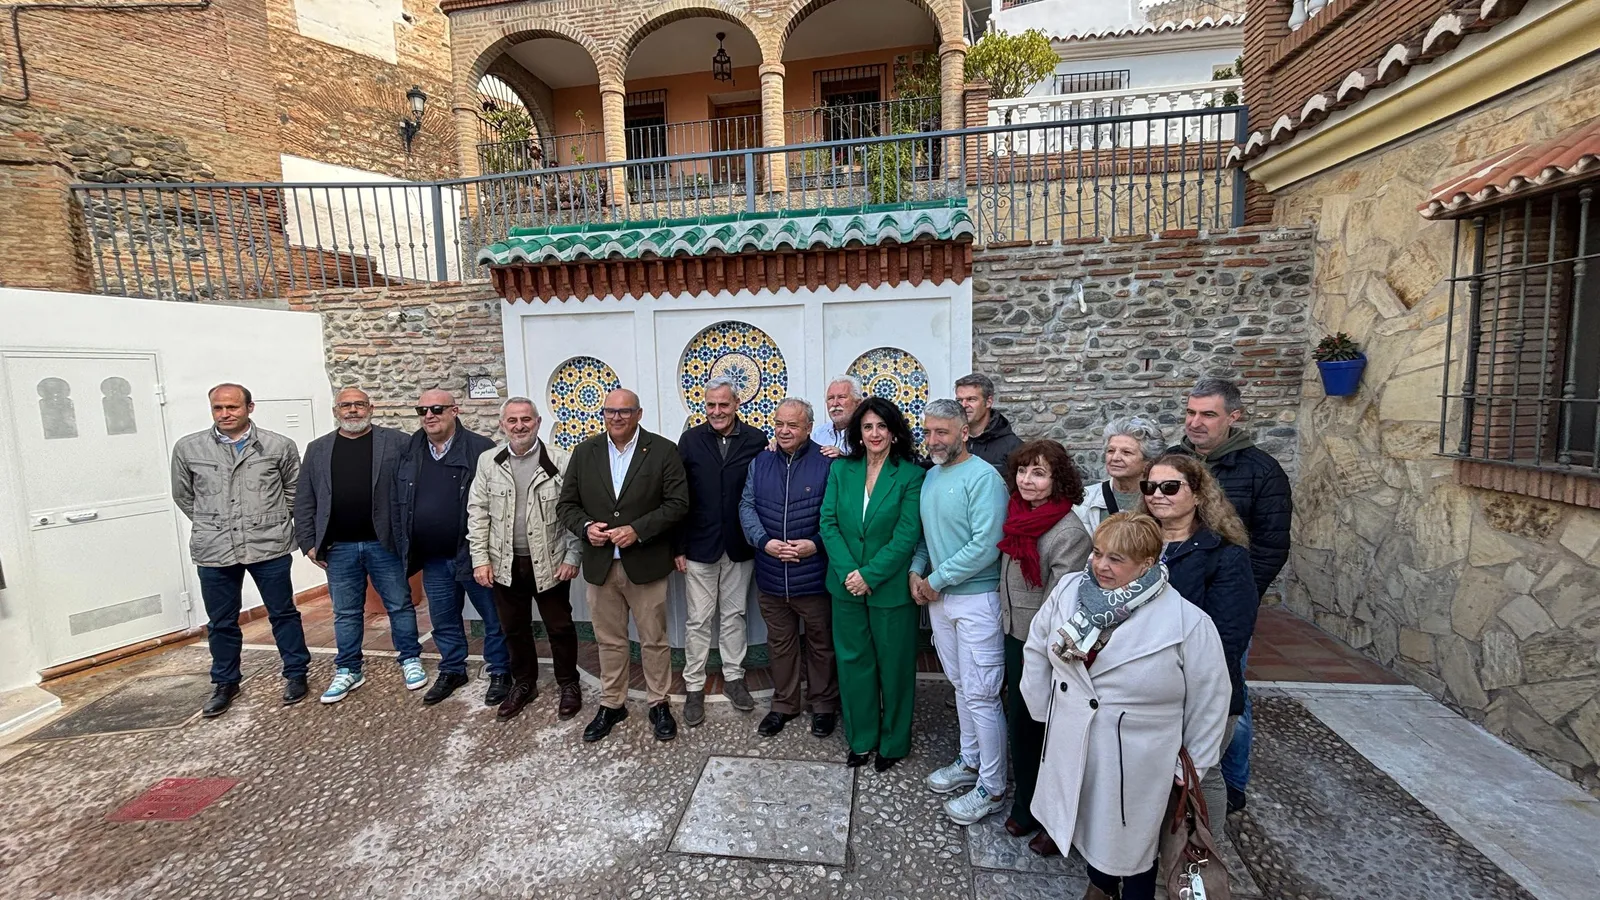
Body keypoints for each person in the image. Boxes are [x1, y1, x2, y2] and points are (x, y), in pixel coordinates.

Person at [1022, 512, 1231, 900]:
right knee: (1086, 822)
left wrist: (1193, 765)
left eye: (1116, 559)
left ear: (1147, 564)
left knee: (1130, 842)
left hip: (1137, 758)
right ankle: (1100, 885)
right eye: (1098, 553)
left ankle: (1129, 892)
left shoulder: (1187, 622)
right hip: (1072, 738)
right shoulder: (1070, 590)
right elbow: (1037, 647)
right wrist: (1045, 713)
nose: (1100, 565)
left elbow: (1211, 699)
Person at [1172, 376, 1292, 812]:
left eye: (1208, 414)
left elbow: (1271, 546)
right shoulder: (1174, 463)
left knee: (1227, 693)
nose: (1196, 423)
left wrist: (1239, 598)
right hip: (1174, 601)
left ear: (1234, 417)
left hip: (1226, 606)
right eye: (1191, 413)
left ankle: (1232, 785)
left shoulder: (1261, 471)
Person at [556, 388, 690, 743]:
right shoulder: (586, 452)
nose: (616, 418)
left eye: (625, 411)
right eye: (610, 412)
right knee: (609, 639)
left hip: (645, 563)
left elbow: (678, 504)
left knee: (653, 639)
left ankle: (658, 702)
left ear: (639, 413)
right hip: (601, 565)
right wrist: (586, 527)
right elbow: (566, 505)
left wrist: (638, 530)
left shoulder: (662, 450)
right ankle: (613, 702)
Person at [171, 383, 310, 718]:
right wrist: (213, 522)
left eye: (232, 407)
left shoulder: (278, 446)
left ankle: (295, 672)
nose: (225, 414)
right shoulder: (189, 448)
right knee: (221, 621)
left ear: (250, 407)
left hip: (268, 544)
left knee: (283, 613)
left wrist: (268, 521)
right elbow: (184, 495)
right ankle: (225, 681)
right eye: (218, 408)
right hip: (215, 547)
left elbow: (294, 491)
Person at [1140, 452, 1259, 822]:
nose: (1158, 494)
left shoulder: (1223, 555)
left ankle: (1202, 862)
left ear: (1197, 494)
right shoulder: (1136, 544)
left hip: (1200, 690)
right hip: (1146, 687)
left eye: (1170, 487)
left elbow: (1228, 637)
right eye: (1150, 486)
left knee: (1198, 777)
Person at [909, 399, 1011, 826]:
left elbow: (987, 545)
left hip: (977, 600)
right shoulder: (932, 476)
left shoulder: (984, 479)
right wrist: (918, 572)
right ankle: (970, 762)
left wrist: (937, 579)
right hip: (941, 599)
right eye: (928, 432)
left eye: (942, 432)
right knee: (960, 685)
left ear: (964, 432)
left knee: (983, 692)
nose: (933, 440)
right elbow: (928, 538)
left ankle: (993, 785)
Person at [294, 387, 423, 704]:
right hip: (339, 547)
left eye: (359, 404)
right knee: (346, 612)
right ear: (336, 410)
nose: (353, 410)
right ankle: (349, 668)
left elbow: (413, 488)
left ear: (371, 408)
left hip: (386, 544)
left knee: (399, 605)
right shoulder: (319, 449)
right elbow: (304, 499)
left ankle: (410, 659)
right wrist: (309, 543)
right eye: (346, 405)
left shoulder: (396, 442)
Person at [817, 396, 925, 772]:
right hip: (845, 585)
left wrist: (870, 575)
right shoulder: (841, 471)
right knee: (853, 663)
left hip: (890, 588)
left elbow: (907, 533)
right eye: (867, 427)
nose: (875, 433)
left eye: (882, 426)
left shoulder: (911, 475)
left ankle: (894, 742)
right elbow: (827, 523)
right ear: (858, 434)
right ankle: (862, 738)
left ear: (894, 432)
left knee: (894, 667)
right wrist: (851, 573)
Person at [995, 439, 1092, 856]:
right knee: (1019, 720)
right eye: (1023, 471)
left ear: (1058, 480)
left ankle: (1042, 811)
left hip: (1042, 643)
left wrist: (1040, 645)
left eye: (1039, 473)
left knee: (1041, 726)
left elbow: (1061, 601)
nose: (1028, 481)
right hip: (1013, 632)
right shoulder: (1019, 514)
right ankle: (1028, 801)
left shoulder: (1067, 530)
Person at [467, 398, 584, 721]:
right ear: (503, 424)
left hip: (550, 560)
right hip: (504, 563)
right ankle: (523, 683)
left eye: (526, 420)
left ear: (538, 423)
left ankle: (568, 683)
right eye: (512, 420)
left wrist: (573, 555)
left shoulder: (560, 460)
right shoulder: (489, 462)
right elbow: (477, 513)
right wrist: (480, 559)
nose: (519, 426)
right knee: (513, 628)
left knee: (559, 627)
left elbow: (573, 512)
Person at [393, 389, 508, 707]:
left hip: (474, 554)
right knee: (443, 619)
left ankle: (500, 670)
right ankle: (453, 668)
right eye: (422, 410)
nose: (429, 415)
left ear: (455, 410)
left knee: (493, 616)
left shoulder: (481, 449)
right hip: (432, 557)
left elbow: (498, 502)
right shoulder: (410, 448)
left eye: (437, 409)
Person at [739, 397, 838, 738]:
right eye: (779, 423)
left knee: (820, 644)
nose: (783, 430)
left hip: (813, 578)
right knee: (780, 644)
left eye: (792, 425)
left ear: (809, 428)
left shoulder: (827, 463)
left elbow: (838, 515)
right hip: (770, 575)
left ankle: (823, 704)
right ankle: (784, 704)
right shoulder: (761, 461)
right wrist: (763, 541)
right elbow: (746, 504)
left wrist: (816, 543)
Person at [675, 376, 768, 726]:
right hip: (699, 545)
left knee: (734, 616)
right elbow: (679, 497)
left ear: (736, 404)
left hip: (740, 545)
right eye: (711, 405)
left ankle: (734, 678)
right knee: (698, 619)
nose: (716, 411)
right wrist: (679, 546)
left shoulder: (756, 439)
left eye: (723, 405)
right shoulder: (690, 440)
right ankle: (694, 686)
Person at [1076, 416, 1167, 534]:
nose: (1115, 458)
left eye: (1126, 452)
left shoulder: (1163, 499)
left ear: (1148, 462)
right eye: (1111, 451)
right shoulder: (1086, 499)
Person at [955, 373, 1022, 470]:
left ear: (988, 402)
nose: (964, 405)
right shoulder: (951, 441)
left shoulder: (1013, 447)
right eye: (959, 400)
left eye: (971, 399)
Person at [812, 375, 862, 457]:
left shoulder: (867, 434)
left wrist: (843, 458)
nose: (835, 404)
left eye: (841, 397)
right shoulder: (817, 434)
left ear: (857, 403)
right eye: (830, 398)